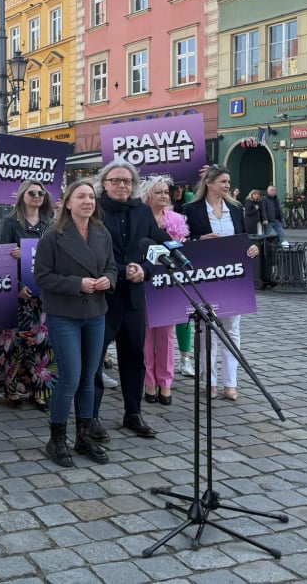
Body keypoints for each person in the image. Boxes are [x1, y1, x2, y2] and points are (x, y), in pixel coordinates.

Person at [34, 180, 117, 467]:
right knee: (70, 376)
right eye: (81, 196)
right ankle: (56, 439)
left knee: (88, 376)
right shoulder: (53, 237)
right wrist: (77, 283)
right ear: (68, 203)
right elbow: (42, 277)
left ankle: (83, 436)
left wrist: (110, 279)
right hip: (64, 314)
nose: (87, 201)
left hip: (95, 313)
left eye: (91, 197)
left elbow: (111, 266)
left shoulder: (101, 232)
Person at [92, 159, 171, 441]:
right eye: (115, 181)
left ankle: (133, 412)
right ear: (104, 183)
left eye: (126, 181)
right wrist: (125, 270)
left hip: (134, 298)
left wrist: (147, 270)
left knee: (134, 358)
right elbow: (88, 253)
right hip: (101, 298)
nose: (121, 185)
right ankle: (91, 417)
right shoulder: (94, 209)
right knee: (95, 361)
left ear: (134, 185)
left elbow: (158, 247)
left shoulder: (142, 212)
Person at [183, 165, 261, 401]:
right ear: (209, 182)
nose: (227, 186)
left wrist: (252, 248)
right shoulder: (191, 209)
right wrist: (198, 239)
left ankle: (230, 382)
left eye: (228, 182)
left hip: (233, 276)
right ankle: (210, 380)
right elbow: (180, 241)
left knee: (232, 330)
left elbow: (243, 238)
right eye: (223, 181)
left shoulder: (235, 208)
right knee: (207, 330)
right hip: (205, 276)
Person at [0, 180, 56, 410]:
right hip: (20, 293)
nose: (37, 196)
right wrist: (18, 286)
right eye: (32, 192)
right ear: (22, 196)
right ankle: (11, 389)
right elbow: (3, 257)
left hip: (45, 292)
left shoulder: (51, 223)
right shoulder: (10, 222)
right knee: (15, 343)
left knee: (42, 344)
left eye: (41, 192)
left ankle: (40, 389)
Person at [141, 177, 190, 406]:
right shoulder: (139, 218)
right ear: (148, 194)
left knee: (167, 335)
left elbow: (181, 247)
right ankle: (149, 381)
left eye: (166, 192)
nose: (164, 196)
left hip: (169, 283)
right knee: (147, 334)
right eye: (159, 192)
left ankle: (166, 382)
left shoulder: (176, 219)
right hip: (145, 281)